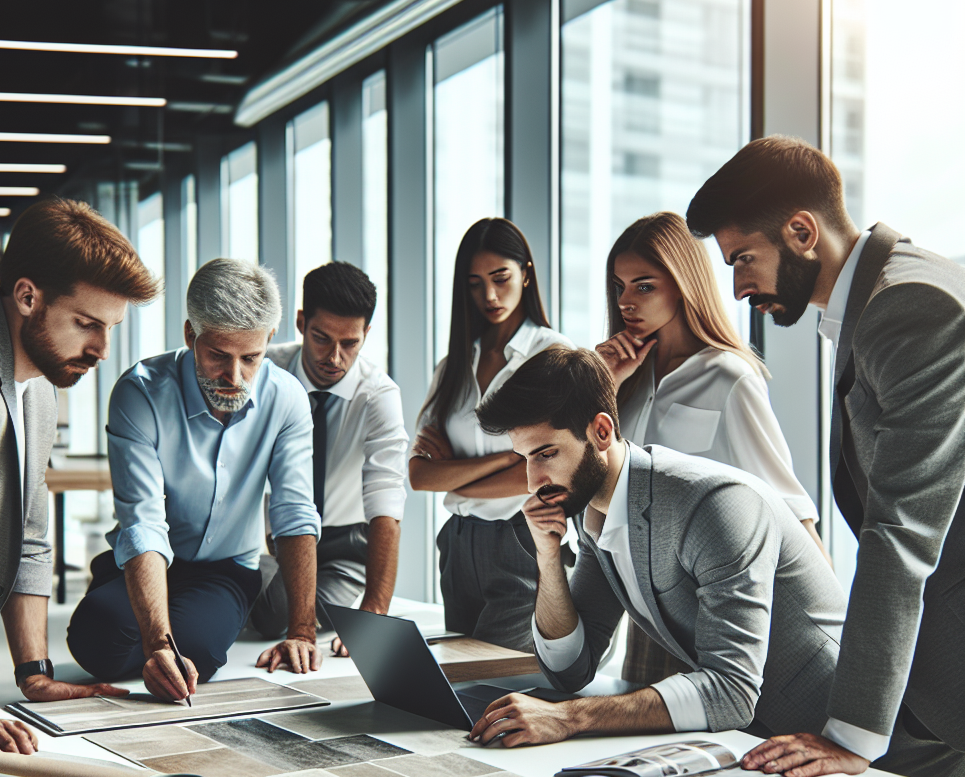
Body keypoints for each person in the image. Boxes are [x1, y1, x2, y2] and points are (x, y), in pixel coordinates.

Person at [686, 135, 965, 777]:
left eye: (744, 259)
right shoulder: (889, 292)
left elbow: (902, 530)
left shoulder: (908, 306)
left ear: (802, 231)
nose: (738, 285)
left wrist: (850, 736)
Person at [467, 347, 846, 749]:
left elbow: (731, 690)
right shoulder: (591, 508)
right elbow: (569, 670)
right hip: (757, 742)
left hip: (839, 735)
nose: (532, 483)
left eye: (546, 454)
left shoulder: (712, 505)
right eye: (525, 458)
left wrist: (569, 717)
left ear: (601, 431)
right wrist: (548, 557)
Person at [0, 198, 159, 752]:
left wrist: (33, 672)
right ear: (27, 295)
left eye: (110, 328)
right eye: (87, 324)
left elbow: (30, 536)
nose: (102, 350)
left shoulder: (37, 387)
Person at [67, 259, 321, 701]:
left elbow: (294, 512)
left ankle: (207, 613)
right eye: (219, 355)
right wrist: (157, 642)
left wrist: (303, 631)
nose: (235, 377)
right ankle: (128, 600)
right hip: (147, 556)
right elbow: (141, 520)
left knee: (199, 654)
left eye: (251, 358)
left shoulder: (289, 399)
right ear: (190, 335)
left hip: (226, 569)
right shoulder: (140, 392)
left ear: (270, 341)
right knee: (97, 643)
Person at [593, 211, 825, 686]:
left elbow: (788, 504)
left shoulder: (729, 377)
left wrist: (836, 629)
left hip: (716, 605)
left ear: (681, 284)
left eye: (643, 286)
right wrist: (604, 387)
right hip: (647, 608)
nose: (626, 303)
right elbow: (595, 489)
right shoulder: (625, 380)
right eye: (619, 287)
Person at [409, 218, 572, 651]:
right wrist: (507, 459)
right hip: (460, 544)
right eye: (476, 283)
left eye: (501, 278)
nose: (490, 296)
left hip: (521, 537)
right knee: (464, 682)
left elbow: (554, 471)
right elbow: (420, 476)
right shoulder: (452, 367)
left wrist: (456, 473)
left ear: (526, 272)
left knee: (499, 675)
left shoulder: (552, 356)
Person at [250, 262, 409, 655]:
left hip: (344, 547)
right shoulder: (264, 370)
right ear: (302, 322)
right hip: (276, 537)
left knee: (279, 610)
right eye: (322, 338)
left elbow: (386, 504)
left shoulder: (379, 395)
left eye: (350, 343)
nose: (335, 358)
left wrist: (374, 613)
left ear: (366, 335)